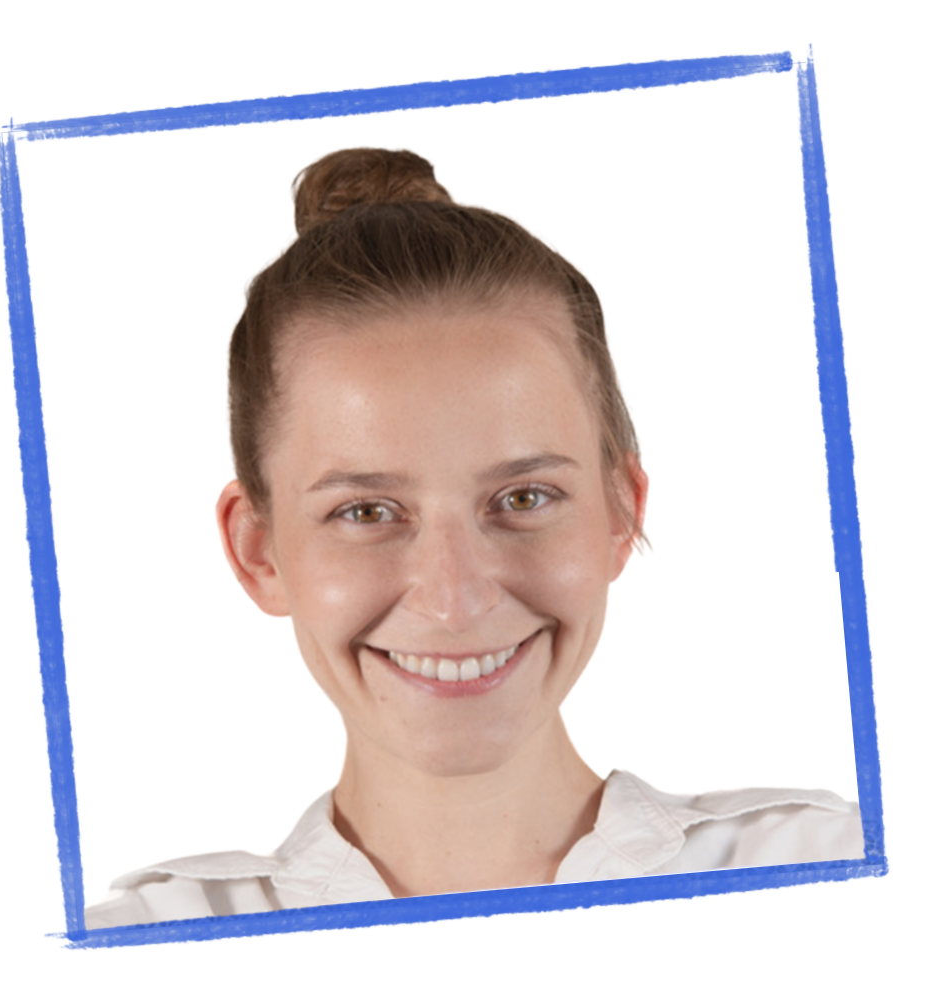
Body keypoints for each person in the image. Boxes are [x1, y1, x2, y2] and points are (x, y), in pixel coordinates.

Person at [84, 148, 864, 929]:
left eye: (523, 498)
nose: (453, 600)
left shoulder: (830, 875)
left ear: (619, 513)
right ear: (259, 551)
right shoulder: (143, 946)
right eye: (367, 512)